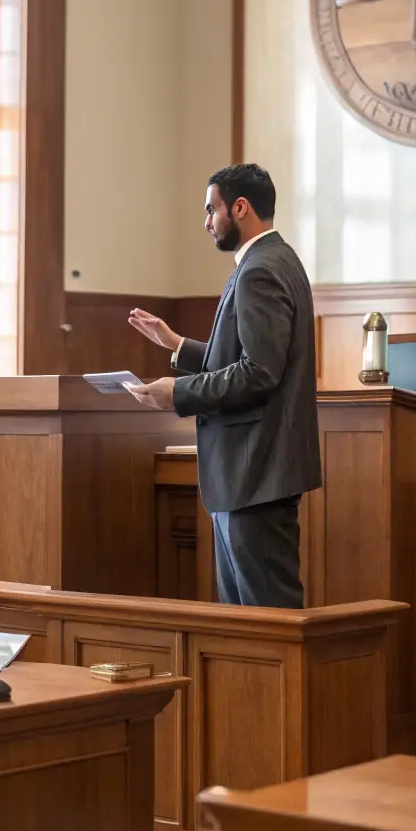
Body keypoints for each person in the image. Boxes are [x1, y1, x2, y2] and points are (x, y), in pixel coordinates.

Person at [126, 163, 321, 608]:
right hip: (251, 474)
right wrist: (176, 344)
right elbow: (252, 357)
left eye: (211, 210)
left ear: (240, 207)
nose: (206, 222)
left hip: (254, 473)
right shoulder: (275, 260)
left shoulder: (259, 270)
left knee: (264, 621)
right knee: (245, 623)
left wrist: (176, 393)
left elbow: (259, 373)